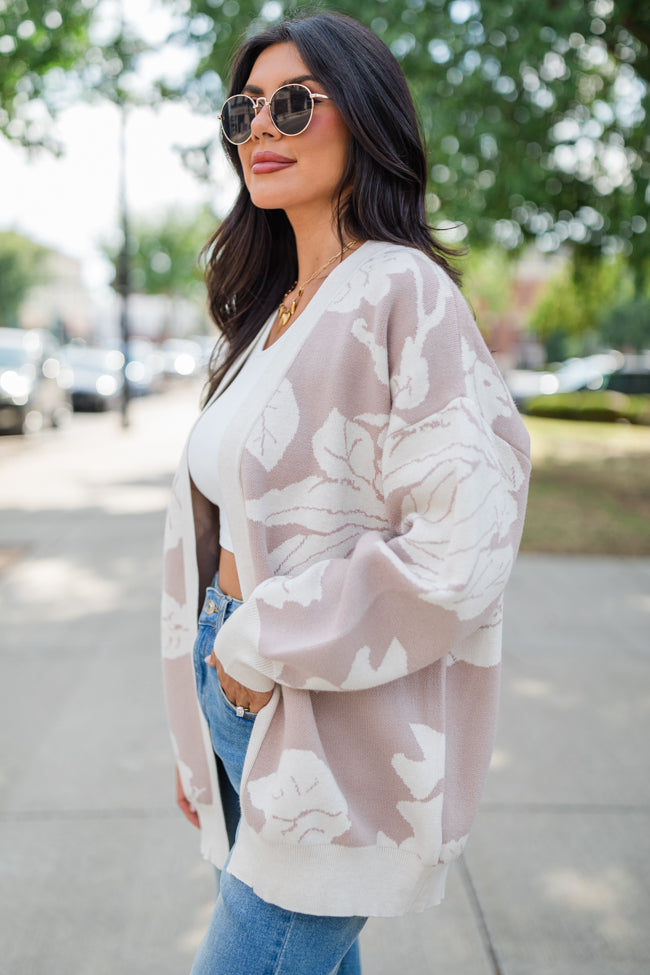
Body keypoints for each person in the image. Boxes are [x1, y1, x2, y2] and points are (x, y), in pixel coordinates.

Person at [161, 11, 530, 975]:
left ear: (363, 118)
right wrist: (201, 710)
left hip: (316, 703)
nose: (262, 131)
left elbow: (465, 540)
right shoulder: (270, 314)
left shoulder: (401, 291)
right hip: (235, 686)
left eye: (294, 103)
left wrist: (256, 638)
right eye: (244, 110)